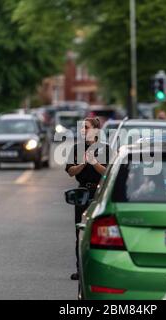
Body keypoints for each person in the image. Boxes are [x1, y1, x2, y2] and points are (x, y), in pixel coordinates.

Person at [65, 117, 110, 281]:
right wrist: (83, 164)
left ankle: (100, 269)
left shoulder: (106, 149)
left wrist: (95, 163)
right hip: (83, 192)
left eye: (86, 127)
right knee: (81, 232)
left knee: (99, 232)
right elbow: (70, 171)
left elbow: (108, 173)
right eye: (82, 128)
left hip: (100, 193)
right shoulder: (77, 149)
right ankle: (81, 270)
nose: (83, 130)